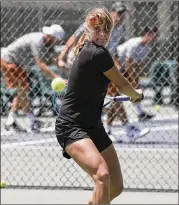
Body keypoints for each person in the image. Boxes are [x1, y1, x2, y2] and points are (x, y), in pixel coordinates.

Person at [55, 8, 144, 204]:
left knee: (115, 186)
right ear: (88, 30)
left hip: (93, 126)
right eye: (97, 29)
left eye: (106, 30)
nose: (102, 34)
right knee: (102, 175)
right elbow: (121, 84)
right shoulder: (96, 53)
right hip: (71, 127)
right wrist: (136, 95)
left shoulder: (92, 51)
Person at [1, 24, 65, 132]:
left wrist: (63, 65)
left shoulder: (47, 43)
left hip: (19, 65)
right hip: (10, 62)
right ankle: (32, 121)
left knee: (21, 92)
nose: (56, 42)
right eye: (55, 39)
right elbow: (40, 65)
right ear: (50, 36)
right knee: (23, 92)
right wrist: (56, 77)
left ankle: (10, 121)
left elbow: (53, 58)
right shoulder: (38, 41)